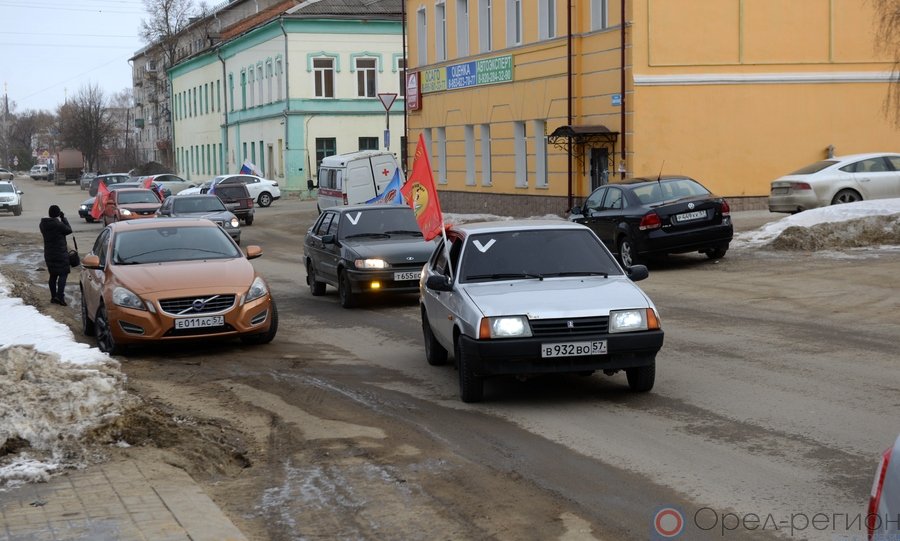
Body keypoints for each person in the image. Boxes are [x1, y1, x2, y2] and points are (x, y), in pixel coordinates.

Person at [39, 205, 73, 306]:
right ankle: (60, 297)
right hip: (60, 254)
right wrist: (63, 218)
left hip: (49, 254)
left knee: (53, 275)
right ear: (58, 214)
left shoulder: (43, 224)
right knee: (63, 274)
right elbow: (69, 230)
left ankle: (53, 297)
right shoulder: (58, 224)